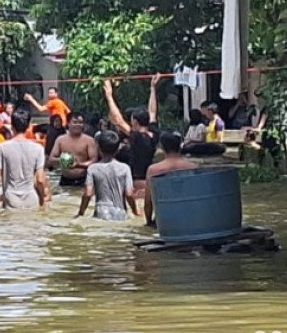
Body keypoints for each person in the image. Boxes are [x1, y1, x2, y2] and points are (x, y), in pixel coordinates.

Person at [104, 74, 160, 215]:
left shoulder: (136, 137)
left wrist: (109, 95)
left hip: (137, 183)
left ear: (134, 122)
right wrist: (153, 88)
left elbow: (117, 119)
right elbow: (153, 111)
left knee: (133, 213)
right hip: (150, 182)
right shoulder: (154, 133)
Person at [0, 110, 50, 210]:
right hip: (31, 197)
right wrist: (42, 200)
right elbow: (40, 180)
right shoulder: (38, 148)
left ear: (12, 126)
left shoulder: (2, 147)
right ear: (28, 127)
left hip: (11, 198)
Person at [76, 130, 134, 221]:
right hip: (120, 212)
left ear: (98, 148)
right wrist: (135, 211)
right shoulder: (125, 168)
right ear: (118, 148)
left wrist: (80, 213)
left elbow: (87, 194)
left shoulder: (93, 168)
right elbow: (129, 194)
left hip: (101, 212)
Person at [145, 131, 197, 226]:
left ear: (161, 146)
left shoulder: (153, 170)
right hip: (188, 217)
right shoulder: (192, 167)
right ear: (180, 145)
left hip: (164, 220)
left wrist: (148, 222)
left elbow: (148, 202)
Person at [47, 112, 97, 186]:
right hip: (65, 179)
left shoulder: (89, 140)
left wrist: (79, 164)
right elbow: (51, 159)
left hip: (83, 179)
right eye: (75, 122)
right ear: (68, 123)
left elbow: (94, 161)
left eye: (80, 122)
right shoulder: (60, 139)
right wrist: (66, 161)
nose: (78, 125)